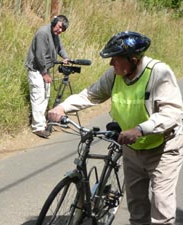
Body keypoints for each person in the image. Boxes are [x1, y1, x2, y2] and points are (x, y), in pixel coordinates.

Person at [48, 31, 183, 225]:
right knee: (136, 208)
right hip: (132, 149)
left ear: (134, 59)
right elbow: (90, 95)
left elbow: (172, 113)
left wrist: (140, 129)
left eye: (115, 59)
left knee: (162, 209)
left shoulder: (158, 73)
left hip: (163, 148)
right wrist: (62, 107)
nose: (111, 64)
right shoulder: (115, 74)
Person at [25, 15, 70, 139]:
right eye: (59, 27)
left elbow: (60, 47)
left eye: (62, 29)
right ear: (54, 22)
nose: (60, 30)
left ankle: (42, 123)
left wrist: (65, 57)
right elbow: (39, 55)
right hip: (36, 70)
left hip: (45, 69)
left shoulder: (55, 35)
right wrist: (44, 73)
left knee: (45, 96)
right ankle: (38, 127)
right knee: (38, 97)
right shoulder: (42, 33)